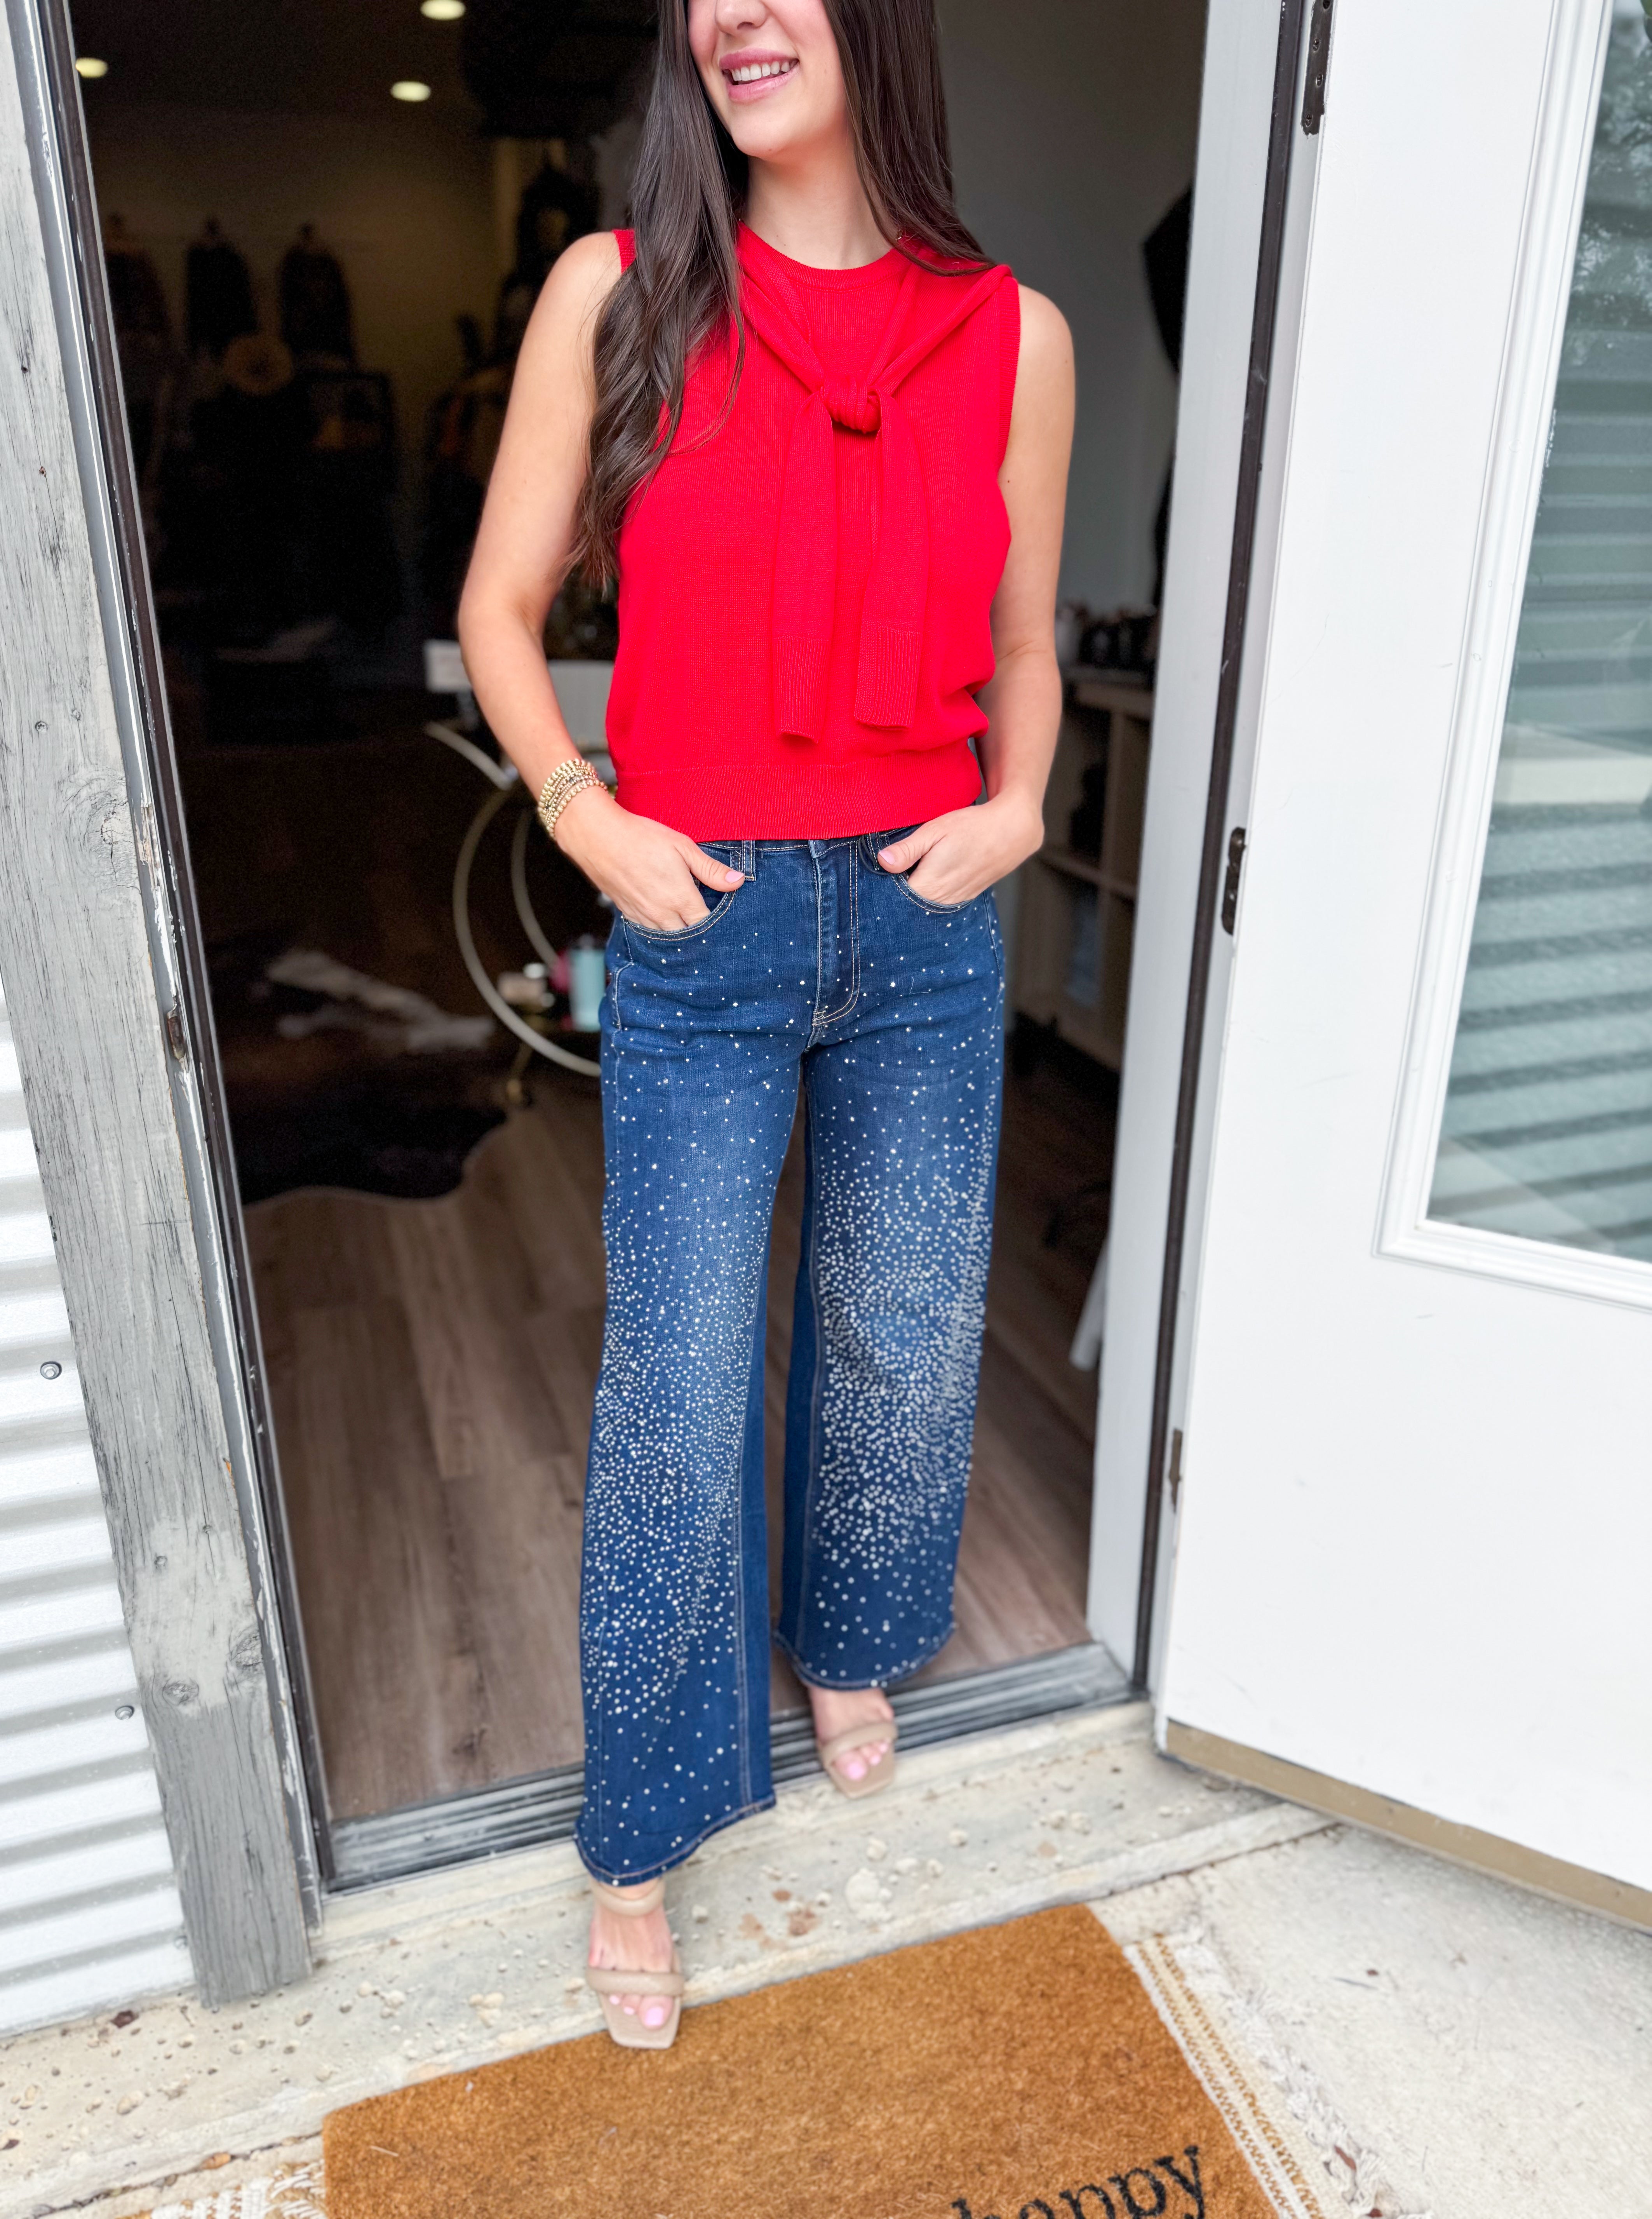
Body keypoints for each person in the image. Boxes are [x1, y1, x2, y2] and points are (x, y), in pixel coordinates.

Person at [458, 0, 1073, 2049]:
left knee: (902, 1330)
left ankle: (854, 1636)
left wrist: (1021, 806)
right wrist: (586, 817)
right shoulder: (618, 292)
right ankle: (639, 1829)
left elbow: (1024, 643)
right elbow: (498, 612)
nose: (734, 13)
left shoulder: (1017, 335)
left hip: (926, 911)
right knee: (679, 1373)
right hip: (700, 912)